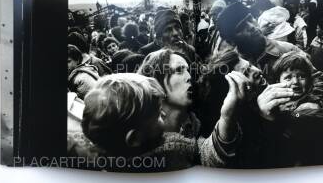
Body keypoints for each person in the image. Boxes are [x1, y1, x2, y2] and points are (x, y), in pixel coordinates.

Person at [68, 73, 243, 171]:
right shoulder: (173, 149)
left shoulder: (93, 163)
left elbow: (204, 153)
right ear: (134, 138)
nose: (164, 115)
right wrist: (227, 117)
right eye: (157, 115)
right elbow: (208, 156)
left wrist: (227, 117)